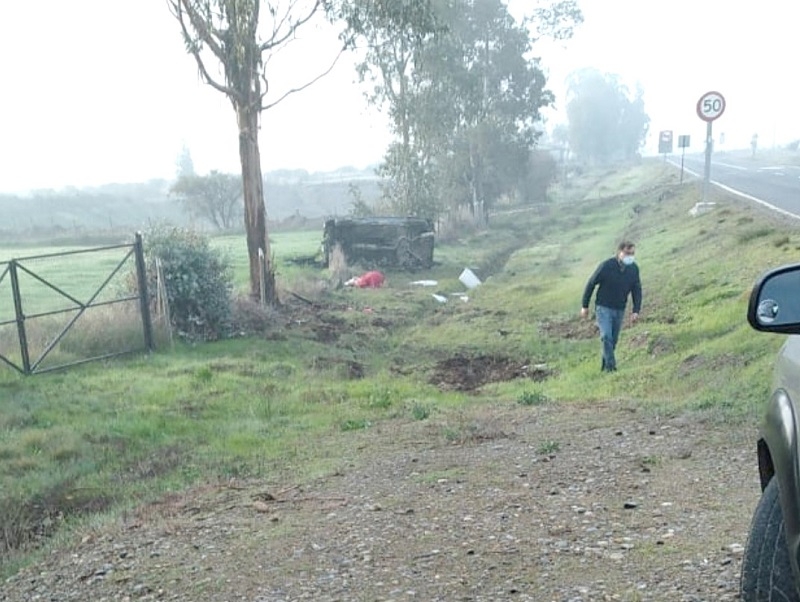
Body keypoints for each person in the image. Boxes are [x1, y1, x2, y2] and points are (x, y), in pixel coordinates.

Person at [580, 241, 642, 372]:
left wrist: (636, 310)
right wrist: (585, 305)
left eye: (632, 253)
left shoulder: (634, 269)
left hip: (620, 309)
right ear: (619, 252)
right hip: (603, 307)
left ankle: (604, 367)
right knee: (606, 336)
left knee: (612, 341)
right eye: (627, 253)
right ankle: (611, 368)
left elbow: (637, 290)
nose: (630, 256)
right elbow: (591, 283)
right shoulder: (606, 266)